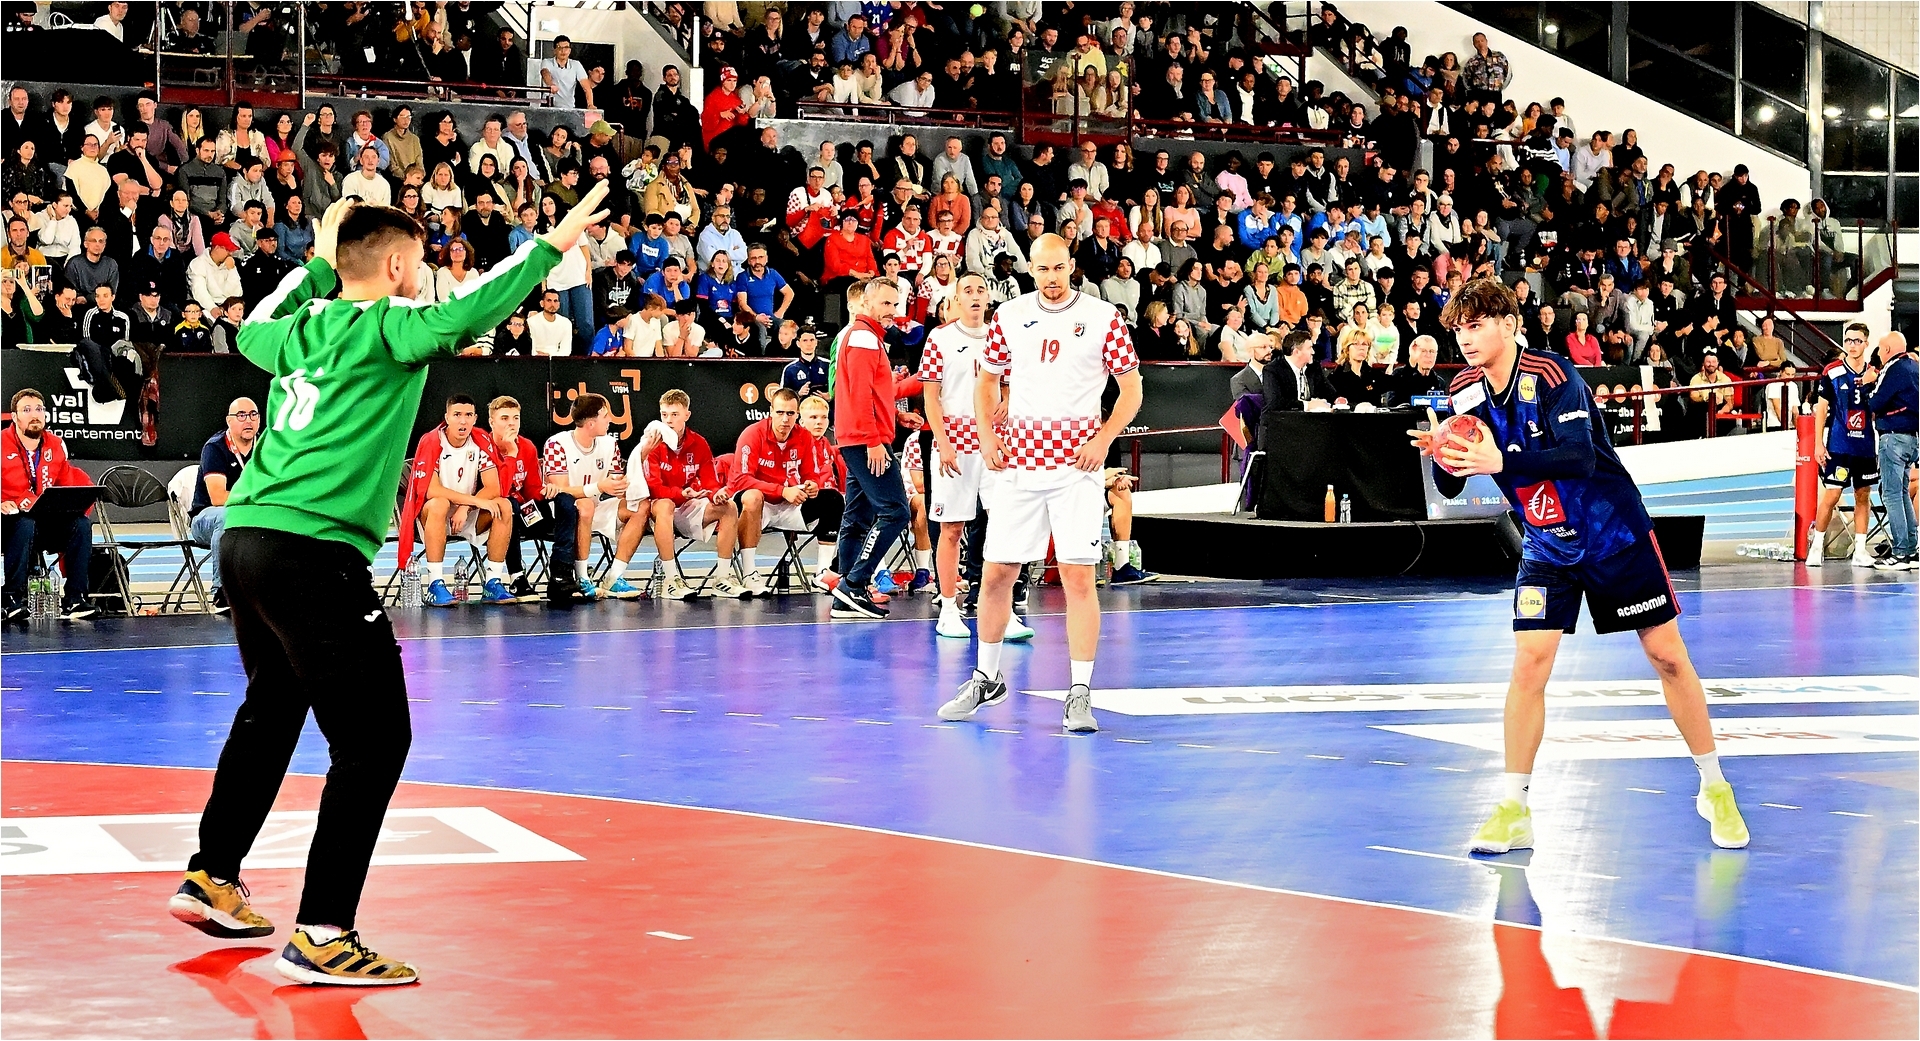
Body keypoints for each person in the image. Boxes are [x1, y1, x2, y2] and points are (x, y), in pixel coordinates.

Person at [169, 183, 610, 986]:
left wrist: (316, 266)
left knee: (273, 708)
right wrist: (548, 248)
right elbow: (470, 311)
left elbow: (251, 326)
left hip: (247, 541)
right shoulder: (391, 326)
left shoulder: (298, 327)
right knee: (375, 739)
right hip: (312, 551)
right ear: (401, 266)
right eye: (420, 262)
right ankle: (323, 931)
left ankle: (212, 873)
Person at [1409, 278, 1749, 855]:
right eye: (1459, 328)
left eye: (1476, 325)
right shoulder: (1462, 389)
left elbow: (1579, 457)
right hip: (1547, 543)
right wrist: (1444, 450)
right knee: (1529, 665)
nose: (1465, 338)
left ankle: (1715, 787)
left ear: (1509, 324)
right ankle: (1513, 808)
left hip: (1612, 534)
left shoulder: (1553, 375)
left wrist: (1501, 459)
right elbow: (1450, 482)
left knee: (1668, 657)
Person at [938, 234, 1143, 734]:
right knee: (996, 574)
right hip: (1018, 465)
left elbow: (1132, 390)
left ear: (1072, 266)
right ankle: (986, 678)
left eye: (1058, 268)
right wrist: (988, 436)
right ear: (1031, 269)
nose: (1051, 278)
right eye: (1042, 269)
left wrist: (1104, 438)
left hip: (1076, 466)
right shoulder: (1009, 315)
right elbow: (987, 382)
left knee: (1078, 578)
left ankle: (1080, 692)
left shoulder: (1103, 316)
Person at [826, 276, 920, 619]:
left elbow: (866, 392)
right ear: (865, 304)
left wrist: (894, 416)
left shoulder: (865, 336)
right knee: (896, 512)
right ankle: (854, 583)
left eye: (895, 304)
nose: (892, 310)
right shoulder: (865, 338)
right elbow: (859, 394)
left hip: (858, 438)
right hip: (866, 441)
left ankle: (846, 596)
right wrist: (874, 440)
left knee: (859, 515)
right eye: (885, 303)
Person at [916, 274, 995, 639]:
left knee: (1003, 527)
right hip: (956, 441)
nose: (975, 296)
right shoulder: (940, 338)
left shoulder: (1000, 336)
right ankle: (948, 608)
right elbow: (930, 397)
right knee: (951, 529)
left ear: (988, 297)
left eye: (981, 290)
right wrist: (943, 442)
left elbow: (1009, 386)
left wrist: (1007, 406)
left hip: (993, 442)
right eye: (968, 291)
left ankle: (1002, 609)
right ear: (957, 300)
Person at [397, 394, 516, 607]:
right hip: (433, 516)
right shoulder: (432, 441)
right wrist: (471, 501)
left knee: (504, 505)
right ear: (447, 417)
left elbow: (493, 487)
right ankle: (435, 584)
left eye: (468, 415)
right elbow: (432, 490)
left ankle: (492, 582)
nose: (463, 421)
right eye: (457, 415)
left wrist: (465, 506)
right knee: (440, 503)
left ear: (475, 418)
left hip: (467, 515)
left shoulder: (480, 440)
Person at [1, 388, 97, 621]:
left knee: (80, 525)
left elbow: (65, 483)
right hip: (8, 523)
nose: (35, 415)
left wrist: (71, 503)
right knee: (23, 523)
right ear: (14, 417)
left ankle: (75, 599)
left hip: (42, 519)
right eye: (26, 410)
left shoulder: (55, 444)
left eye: (39, 409)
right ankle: (11, 598)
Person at [644, 389, 747, 599]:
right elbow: (653, 488)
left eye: (674, 414)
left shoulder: (698, 443)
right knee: (665, 504)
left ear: (686, 415)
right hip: (657, 507)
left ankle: (722, 579)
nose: (669, 420)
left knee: (728, 507)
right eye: (664, 414)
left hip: (686, 504)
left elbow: (710, 481)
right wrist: (681, 493)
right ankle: (671, 580)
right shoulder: (652, 443)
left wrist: (716, 494)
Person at [730, 387, 830, 596]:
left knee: (833, 499)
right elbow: (741, 479)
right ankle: (749, 573)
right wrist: (782, 490)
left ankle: (823, 573)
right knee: (753, 496)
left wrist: (812, 485)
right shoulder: (753, 434)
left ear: (797, 415)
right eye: (780, 412)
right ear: (770, 411)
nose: (785, 419)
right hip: (758, 504)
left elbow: (811, 474)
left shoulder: (804, 436)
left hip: (788, 504)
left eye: (791, 413)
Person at [541, 391, 626, 605]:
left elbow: (616, 479)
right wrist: (599, 486)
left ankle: (615, 575)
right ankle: (582, 577)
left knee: (637, 507)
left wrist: (624, 483)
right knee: (585, 505)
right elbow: (561, 491)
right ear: (590, 423)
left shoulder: (610, 444)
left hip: (597, 505)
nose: (610, 419)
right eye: (605, 415)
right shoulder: (557, 444)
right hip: (563, 512)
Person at [1807, 323, 1880, 569]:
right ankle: (1816, 546)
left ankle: (1860, 550)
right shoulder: (1833, 371)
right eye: (1848, 340)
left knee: (1863, 495)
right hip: (1839, 445)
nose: (1852, 345)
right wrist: (1818, 443)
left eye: (1857, 340)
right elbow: (1821, 409)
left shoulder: (1874, 374)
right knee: (1832, 494)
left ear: (1866, 343)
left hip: (1865, 447)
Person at [188, 398, 261, 613]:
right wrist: (256, 500)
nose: (248, 420)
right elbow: (218, 497)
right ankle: (221, 592)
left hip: (250, 516)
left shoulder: (266, 447)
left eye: (253, 414)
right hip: (206, 519)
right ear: (229, 421)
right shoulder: (216, 447)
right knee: (227, 516)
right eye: (241, 415)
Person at [1870, 332, 1917, 570]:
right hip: (1911, 438)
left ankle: (1900, 553)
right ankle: (1911, 549)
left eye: (1880, 349)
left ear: (1887, 349)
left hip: (1893, 438)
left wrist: (1868, 382)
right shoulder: (1915, 367)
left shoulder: (1893, 368)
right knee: (1902, 492)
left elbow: (1875, 402)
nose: (1879, 354)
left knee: (1891, 494)